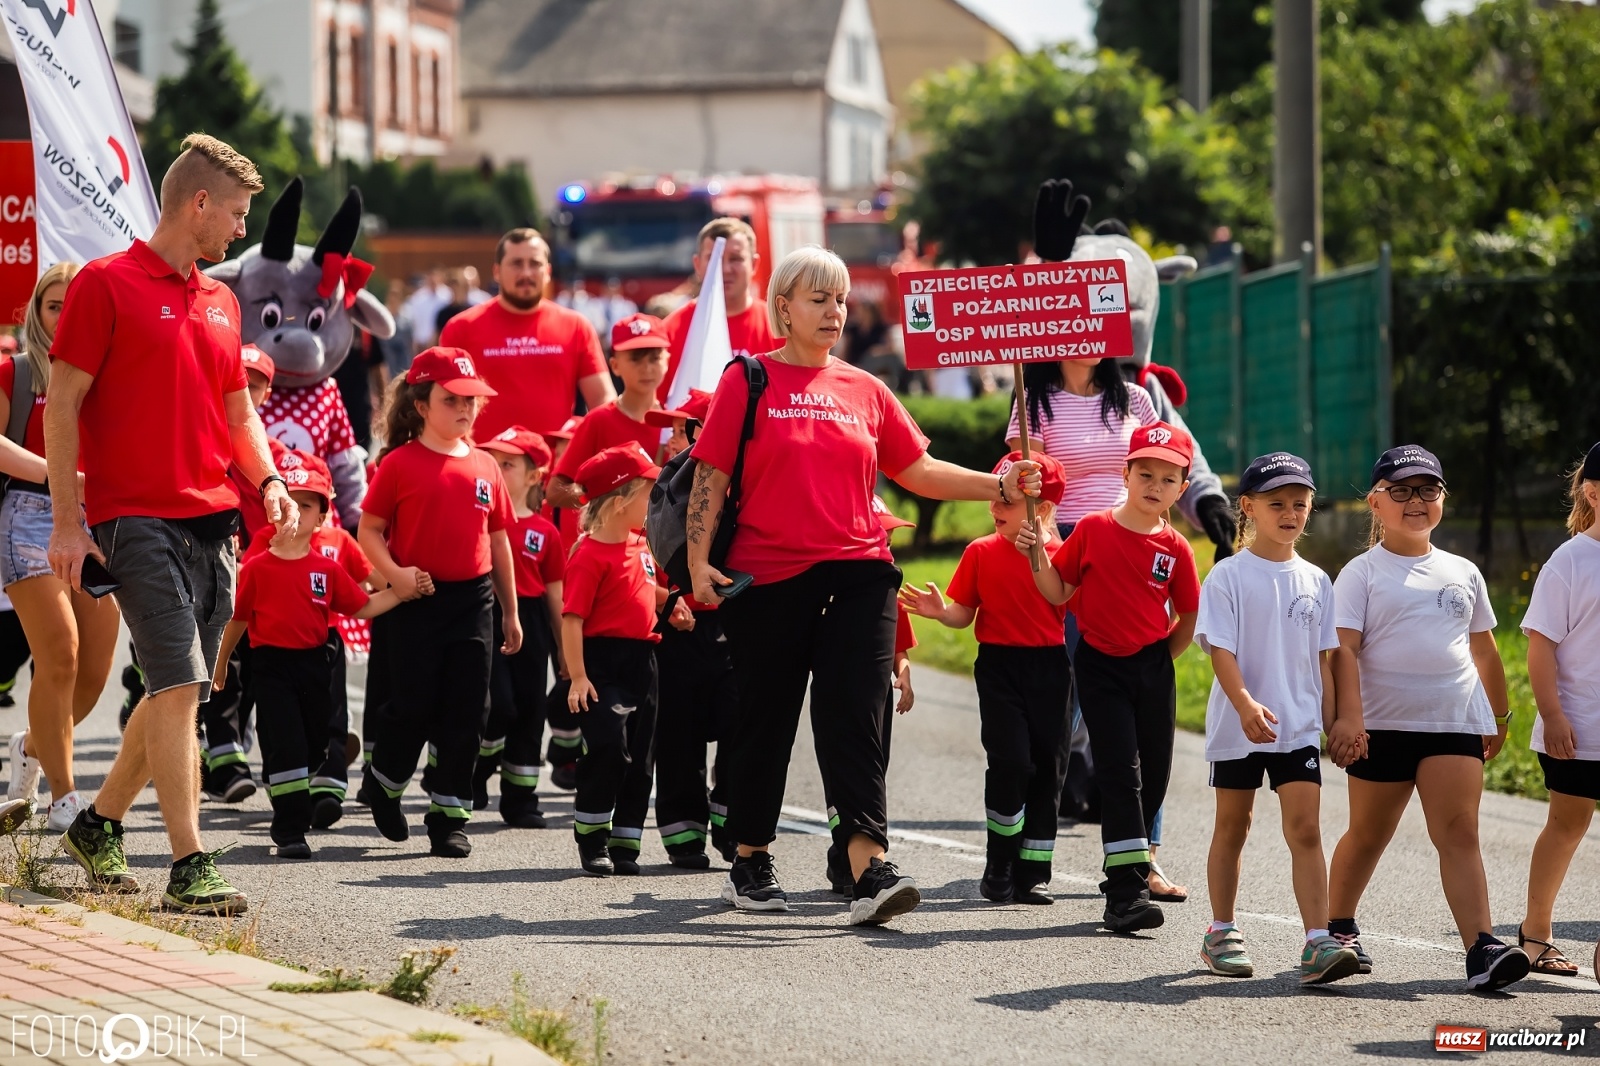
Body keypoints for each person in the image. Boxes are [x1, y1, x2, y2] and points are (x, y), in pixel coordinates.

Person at [687, 245, 1043, 926]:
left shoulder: (866, 389)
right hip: (769, 578)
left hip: (860, 570)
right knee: (767, 719)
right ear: (784, 307)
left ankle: (867, 870)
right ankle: (750, 857)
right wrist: (699, 562)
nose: (835, 311)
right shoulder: (749, 379)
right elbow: (712, 474)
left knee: (856, 715)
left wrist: (999, 484)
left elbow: (919, 470)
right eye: (819, 298)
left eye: (842, 299)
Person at [47, 134, 293, 914]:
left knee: (177, 687)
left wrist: (269, 479)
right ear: (198, 204)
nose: (242, 229)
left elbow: (238, 413)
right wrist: (66, 524)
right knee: (182, 684)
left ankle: (99, 824)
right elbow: (62, 406)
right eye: (237, 213)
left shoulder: (221, 300)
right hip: (132, 518)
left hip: (214, 519)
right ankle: (189, 866)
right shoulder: (103, 284)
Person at [1325, 445, 1530, 991]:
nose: (1416, 500)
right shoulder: (1361, 573)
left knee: (1460, 832)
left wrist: (1498, 715)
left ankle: (1482, 948)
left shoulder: (1463, 571)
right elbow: (1343, 650)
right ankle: (1337, 929)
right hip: (1381, 726)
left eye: (1428, 489)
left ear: (1443, 497)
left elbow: (1484, 650)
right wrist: (1347, 717)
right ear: (1375, 502)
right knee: (1369, 834)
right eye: (1401, 490)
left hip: (1453, 719)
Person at [1009, 357, 1186, 901]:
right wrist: (1038, 539)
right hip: (1068, 541)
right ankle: (1030, 852)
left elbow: (1166, 459)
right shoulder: (1033, 396)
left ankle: (1143, 860)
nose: (1085, 333)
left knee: (1146, 745)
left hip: (1136, 550)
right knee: (1060, 716)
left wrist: (1160, 656)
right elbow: (1018, 474)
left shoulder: (1134, 398)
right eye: (1144, 474)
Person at [1193, 453, 1361, 985]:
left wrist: (1333, 722)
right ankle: (1221, 931)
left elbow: (1323, 660)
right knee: (1233, 827)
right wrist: (1244, 704)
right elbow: (1221, 651)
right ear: (1247, 507)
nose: (1290, 513)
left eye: (1299, 504)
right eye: (1276, 503)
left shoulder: (1317, 579)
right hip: (1239, 726)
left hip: (1298, 728)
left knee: (1306, 829)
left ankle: (1318, 941)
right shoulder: (1227, 576)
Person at [355, 347, 521, 858]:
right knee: (413, 705)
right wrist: (396, 577)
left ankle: (449, 816)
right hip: (416, 600)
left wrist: (511, 612)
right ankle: (384, 783)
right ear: (422, 405)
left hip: (473, 602)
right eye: (452, 399)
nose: (465, 408)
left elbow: (498, 541)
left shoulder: (486, 465)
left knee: (470, 708)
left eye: (471, 400)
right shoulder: (398, 464)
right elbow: (369, 530)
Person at [900, 453, 1071, 906]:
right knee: (1010, 762)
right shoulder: (980, 551)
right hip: (998, 667)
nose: (995, 506)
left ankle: (1033, 871)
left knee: (1048, 768)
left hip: (1051, 668)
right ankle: (999, 864)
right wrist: (942, 612)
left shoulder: (1062, 558)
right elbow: (964, 613)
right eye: (997, 497)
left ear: (1043, 508)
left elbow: (1073, 605)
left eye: (1009, 501)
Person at [213, 464, 408, 859]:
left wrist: (404, 589)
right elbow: (238, 620)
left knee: (317, 742)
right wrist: (221, 663)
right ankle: (290, 829)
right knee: (285, 741)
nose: (297, 513)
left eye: (307, 506)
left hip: (316, 662)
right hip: (270, 665)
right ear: (276, 510)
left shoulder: (327, 567)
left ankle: (302, 777)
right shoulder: (258, 566)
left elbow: (364, 605)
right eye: (292, 504)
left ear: (321, 517)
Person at [2, 263, 122, 832]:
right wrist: (60, 477)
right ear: (37, 311)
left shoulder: (112, 372)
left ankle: (32, 745)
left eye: (76, 304)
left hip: (98, 519)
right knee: (62, 654)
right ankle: (64, 798)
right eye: (55, 305)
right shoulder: (17, 372)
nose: (65, 314)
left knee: (95, 670)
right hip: (27, 517)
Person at [563, 444, 686, 875]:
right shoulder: (588, 555)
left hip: (643, 661)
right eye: (648, 494)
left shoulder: (640, 546)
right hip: (603, 663)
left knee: (640, 753)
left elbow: (640, 589)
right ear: (619, 502)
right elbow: (573, 619)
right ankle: (592, 834)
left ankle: (625, 843)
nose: (654, 503)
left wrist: (670, 602)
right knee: (608, 748)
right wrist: (578, 676)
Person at [643, 389, 739, 868]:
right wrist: (665, 598)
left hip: (735, 623)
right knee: (678, 732)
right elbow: (633, 557)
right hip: (677, 628)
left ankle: (732, 819)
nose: (673, 438)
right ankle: (683, 832)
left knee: (742, 725)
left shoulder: (744, 483)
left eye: (682, 429)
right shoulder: (660, 485)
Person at [1516, 442, 1600, 978]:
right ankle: (1535, 933)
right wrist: (1552, 715)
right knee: (1567, 827)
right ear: (1592, 492)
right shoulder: (1570, 560)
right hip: (1579, 728)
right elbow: (1540, 645)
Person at [439, 229, 614, 442]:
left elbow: (602, 399)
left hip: (557, 462)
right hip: (483, 460)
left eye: (535, 264)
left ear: (548, 271)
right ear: (496, 271)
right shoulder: (461, 328)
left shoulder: (576, 327)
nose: (526, 273)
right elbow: (442, 401)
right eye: (516, 264)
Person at [473, 426, 565, 827]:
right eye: (492, 461)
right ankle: (476, 769)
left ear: (533, 476)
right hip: (487, 614)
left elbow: (555, 596)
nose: (497, 469)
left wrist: (564, 651)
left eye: (507, 464)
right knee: (498, 704)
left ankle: (520, 800)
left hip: (532, 620)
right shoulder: (479, 519)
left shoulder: (546, 532)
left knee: (530, 707)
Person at [548, 314, 673, 507]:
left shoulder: (676, 423)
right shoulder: (599, 420)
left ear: (667, 361)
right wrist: (602, 498)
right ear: (614, 365)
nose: (646, 368)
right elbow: (555, 491)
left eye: (654, 358)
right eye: (636, 359)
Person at [658, 218, 776, 403]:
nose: (725, 269)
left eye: (735, 259)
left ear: (754, 264)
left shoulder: (778, 327)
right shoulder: (669, 331)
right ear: (697, 264)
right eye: (714, 258)